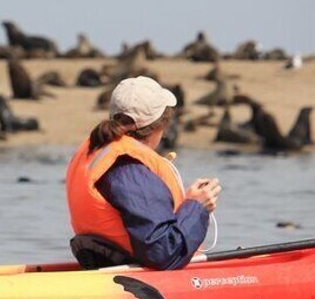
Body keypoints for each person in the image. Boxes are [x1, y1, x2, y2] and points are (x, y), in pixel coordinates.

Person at [65, 76, 221, 270]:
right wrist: (197, 206)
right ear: (159, 126)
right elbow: (164, 252)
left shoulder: (99, 150)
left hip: (109, 264)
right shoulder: (130, 169)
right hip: (138, 275)